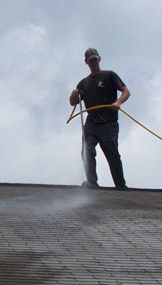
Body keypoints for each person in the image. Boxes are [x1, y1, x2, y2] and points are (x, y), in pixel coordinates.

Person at [69, 48, 130, 190]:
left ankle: (121, 186)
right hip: (91, 124)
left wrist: (118, 102)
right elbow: (73, 103)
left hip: (108, 123)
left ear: (99, 59)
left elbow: (126, 91)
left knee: (112, 154)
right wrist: (74, 94)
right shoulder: (83, 83)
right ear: (86, 62)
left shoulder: (109, 75)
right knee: (87, 149)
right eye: (91, 60)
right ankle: (92, 183)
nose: (93, 62)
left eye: (95, 59)